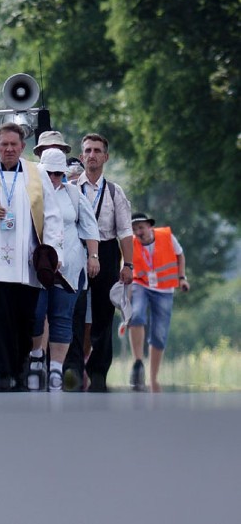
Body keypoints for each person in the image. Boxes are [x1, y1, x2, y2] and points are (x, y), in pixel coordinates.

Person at [0, 123, 63, 391]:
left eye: (13, 144)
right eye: (3, 144)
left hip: (26, 264)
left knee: (24, 318)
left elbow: (51, 214)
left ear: (22, 147)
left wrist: (52, 252)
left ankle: (18, 367)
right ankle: (0, 372)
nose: (8, 149)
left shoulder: (36, 174)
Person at [63, 133, 134, 392]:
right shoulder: (70, 188)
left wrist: (128, 265)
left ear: (106, 156)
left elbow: (125, 231)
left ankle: (99, 370)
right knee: (74, 310)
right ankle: (72, 368)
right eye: (88, 151)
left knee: (104, 313)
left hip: (106, 250)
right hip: (76, 249)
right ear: (81, 157)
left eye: (97, 150)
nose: (92, 155)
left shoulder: (115, 191)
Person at [29, 149, 100, 391]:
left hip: (69, 264)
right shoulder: (31, 192)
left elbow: (90, 227)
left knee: (62, 316)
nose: (54, 179)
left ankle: (56, 369)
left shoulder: (72, 193)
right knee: (36, 314)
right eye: (49, 173)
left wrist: (93, 256)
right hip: (37, 265)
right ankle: (37, 355)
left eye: (58, 174)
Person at [128, 212, 189, 392]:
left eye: (141, 227)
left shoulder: (166, 236)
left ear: (149, 226)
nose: (138, 232)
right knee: (137, 314)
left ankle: (153, 377)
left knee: (159, 333)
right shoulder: (130, 243)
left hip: (164, 289)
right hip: (141, 284)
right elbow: (126, 266)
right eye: (134, 229)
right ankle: (138, 363)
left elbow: (180, 255)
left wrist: (182, 278)